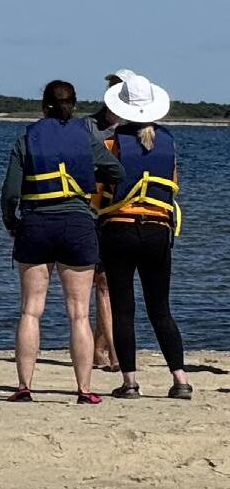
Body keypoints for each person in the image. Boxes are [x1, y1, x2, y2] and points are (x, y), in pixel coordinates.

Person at [1, 80, 125, 405]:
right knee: (79, 314)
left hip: (36, 224)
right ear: (74, 105)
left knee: (31, 310)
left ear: (44, 106)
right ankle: (84, 390)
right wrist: (87, 175)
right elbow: (117, 172)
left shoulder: (26, 138)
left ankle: (24, 387)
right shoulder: (86, 138)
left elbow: (11, 192)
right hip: (77, 226)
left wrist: (11, 221)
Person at [98, 73, 192, 400]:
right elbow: (173, 183)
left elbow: (99, 192)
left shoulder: (111, 144)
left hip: (119, 229)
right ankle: (180, 379)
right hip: (157, 231)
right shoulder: (169, 144)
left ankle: (130, 383)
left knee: (124, 309)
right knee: (161, 309)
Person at [86, 69, 135, 371]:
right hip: (96, 211)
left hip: (127, 213)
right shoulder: (90, 127)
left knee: (116, 283)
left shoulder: (138, 128)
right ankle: (111, 351)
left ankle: (101, 347)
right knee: (102, 281)